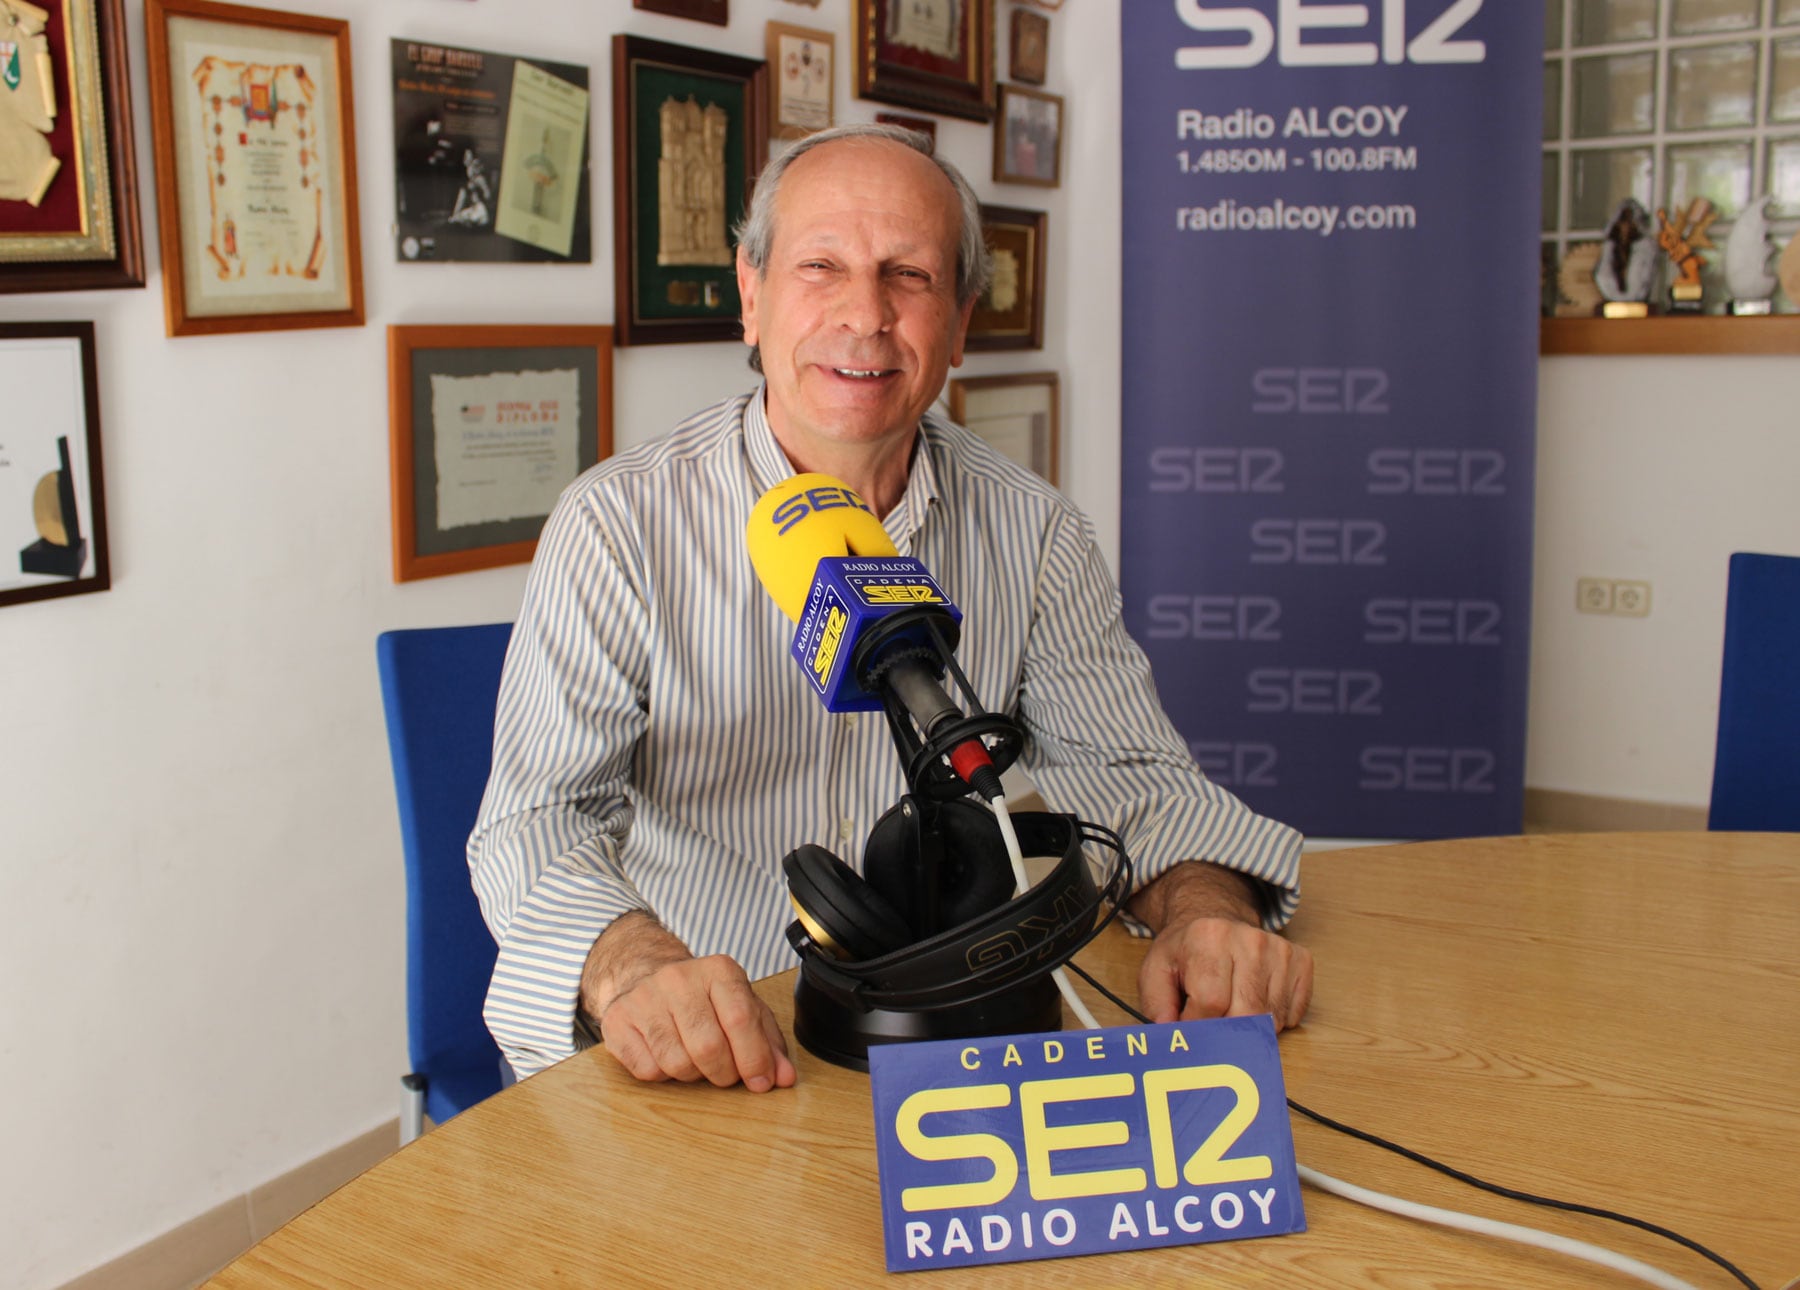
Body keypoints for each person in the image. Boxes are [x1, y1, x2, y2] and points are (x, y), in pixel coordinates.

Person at [468, 123, 1312, 1091]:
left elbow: (1131, 776)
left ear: (957, 324)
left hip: (948, 1032)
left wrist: (1212, 915)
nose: (864, 315)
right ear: (752, 299)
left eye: (907, 276)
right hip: (703, 1046)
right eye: (821, 266)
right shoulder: (616, 526)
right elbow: (538, 819)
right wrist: (633, 963)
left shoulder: (1035, 533)